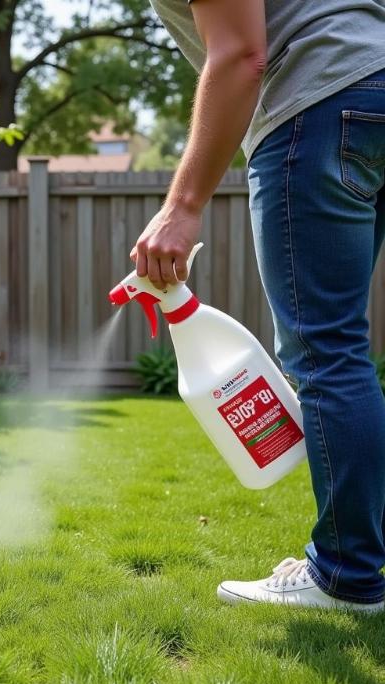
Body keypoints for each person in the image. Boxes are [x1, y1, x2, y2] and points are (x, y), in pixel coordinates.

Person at [132, 0, 385, 611]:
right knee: (343, 349)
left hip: (317, 105)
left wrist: (182, 206)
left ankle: (349, 577)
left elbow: (244, 53)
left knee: (327, 352)